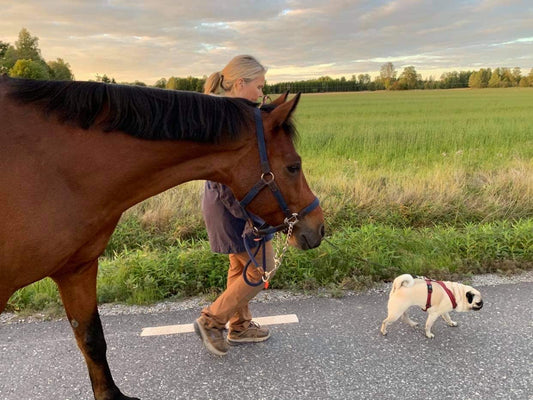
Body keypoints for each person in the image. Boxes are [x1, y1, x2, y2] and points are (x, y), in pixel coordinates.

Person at [194, 55, 276, 356]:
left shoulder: (229, 115)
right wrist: (252, 220)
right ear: (240, 83)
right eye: (258, 86)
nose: (261, 94)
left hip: (225, 208)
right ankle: (212, 320)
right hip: (233, 209)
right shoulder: (226, 120)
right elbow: (223, 180)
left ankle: (240, 325)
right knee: (263, 269)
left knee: (240, 266)